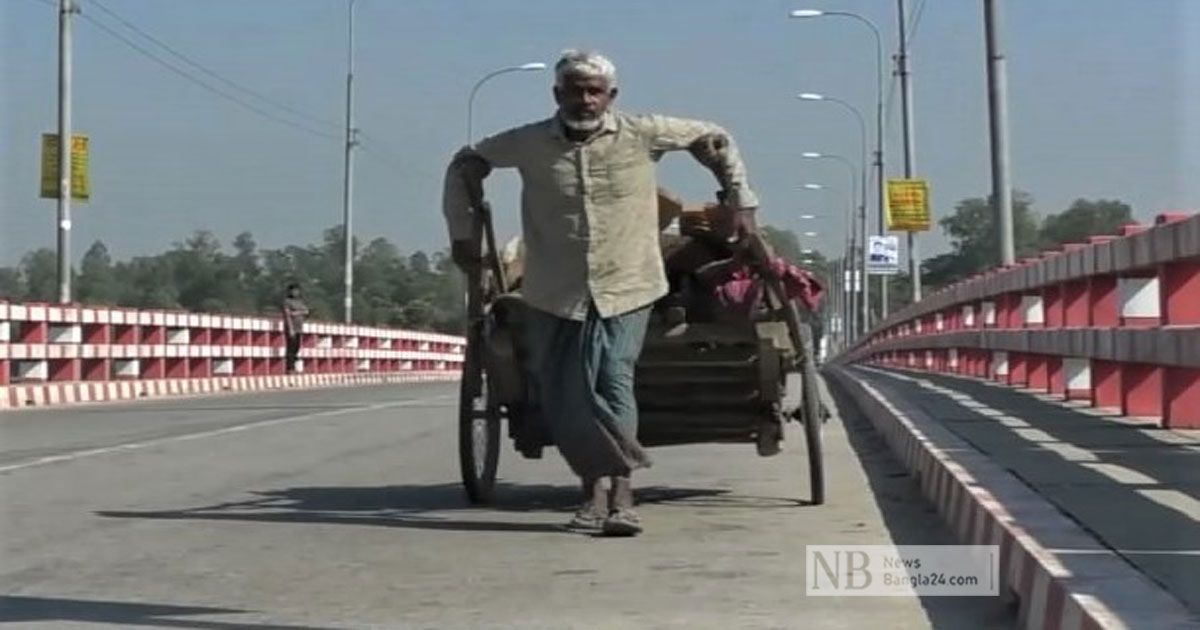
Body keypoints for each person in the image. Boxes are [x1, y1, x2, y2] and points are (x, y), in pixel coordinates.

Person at [442, 49, 760, 536]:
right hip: (553, 287)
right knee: (564, 390)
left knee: (612, 376)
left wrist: (740, 200)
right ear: (557, 94)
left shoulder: (641, 133)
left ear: (612, 96)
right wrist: (462, 234)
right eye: (575, 89)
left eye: (595, 91)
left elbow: (711, 139)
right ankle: (592, 490)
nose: (585, 99)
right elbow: (467, 163)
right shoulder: (527, 142)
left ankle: (622, 494)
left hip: (628, 282)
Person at [281, 282, 308, 374]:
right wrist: (290, 328)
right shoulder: (287, 301)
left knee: (297, 347)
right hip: (291, 327)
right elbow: (288, 315)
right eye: (293, 291)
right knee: (290, 348)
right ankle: (289, 368)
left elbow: (306, 311)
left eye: (297, 290)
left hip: (299, 328)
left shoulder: (300, 301)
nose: (295, 292)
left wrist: (296, 313)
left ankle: (295, 367)